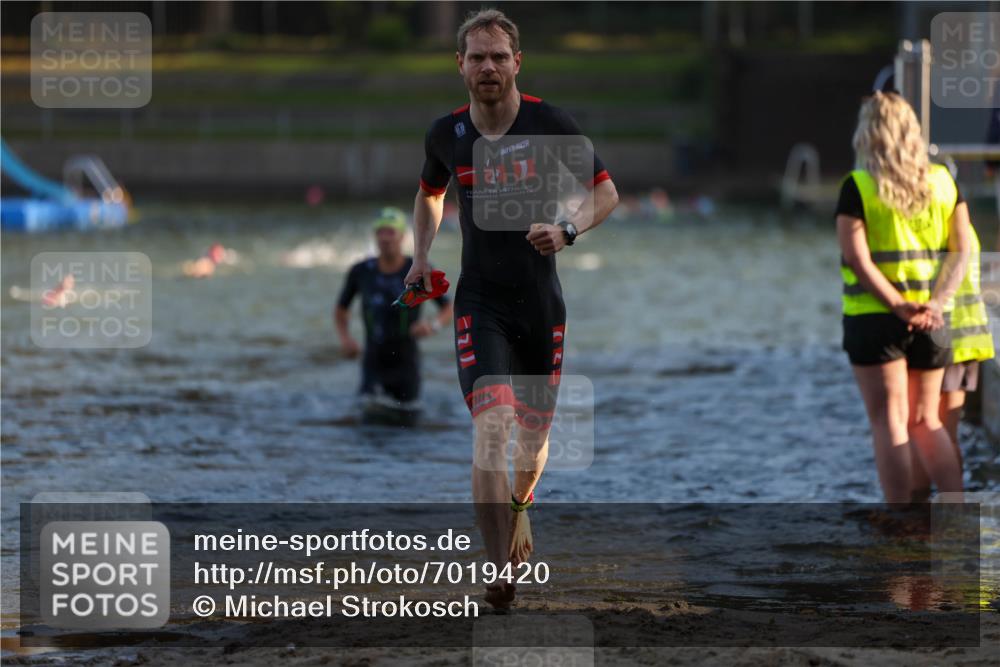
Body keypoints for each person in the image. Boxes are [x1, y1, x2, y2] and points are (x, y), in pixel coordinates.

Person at [405, 9, 619, 608]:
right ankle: (499, 571)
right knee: (489, 429)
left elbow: (605, 192)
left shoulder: (549, 123)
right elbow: (428, 194)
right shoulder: (445, 135)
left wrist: (567, 228)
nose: (489, 67)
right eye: (477, 57)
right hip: (480, 301)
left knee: (532, 444)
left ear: (517, 62)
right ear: (461, 66)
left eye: (499, 56)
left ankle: (524, 504)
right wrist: (420, 255)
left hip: (541, 303)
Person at [837, 91, 971, 503]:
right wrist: (937, 303)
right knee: (926, 420)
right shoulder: (944, 182)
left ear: (868, 134)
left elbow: (856, 258)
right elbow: (963, 250)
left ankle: (898, 521)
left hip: (875, 316)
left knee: (889, 421)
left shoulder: (859, 185)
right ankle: (956, 509)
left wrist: (896, 304)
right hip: (932, 318)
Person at [335, 208, 452, 415]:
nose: (385, 238)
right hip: (373, 362)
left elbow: (449, 306)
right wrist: (346, 339)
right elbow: (341, 309)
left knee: (408, 423)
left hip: (406, 363)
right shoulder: (361, 270)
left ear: (402, 236)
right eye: (381, 232)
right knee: (369, 422)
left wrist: (432, 325)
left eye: (391, 232)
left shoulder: (417, 270)